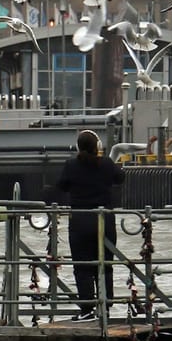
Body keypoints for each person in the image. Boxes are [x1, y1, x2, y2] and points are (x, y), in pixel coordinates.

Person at [50, 128, 126, 321]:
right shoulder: (107, 164)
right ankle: (106, 307)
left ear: (78, 147)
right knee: (105, 265)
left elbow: (61, 186)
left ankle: (87, 310)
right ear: (97, 147)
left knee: (82, 266)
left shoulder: (71, 165)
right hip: (105, 220)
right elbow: (120, 178)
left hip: (81, 220)